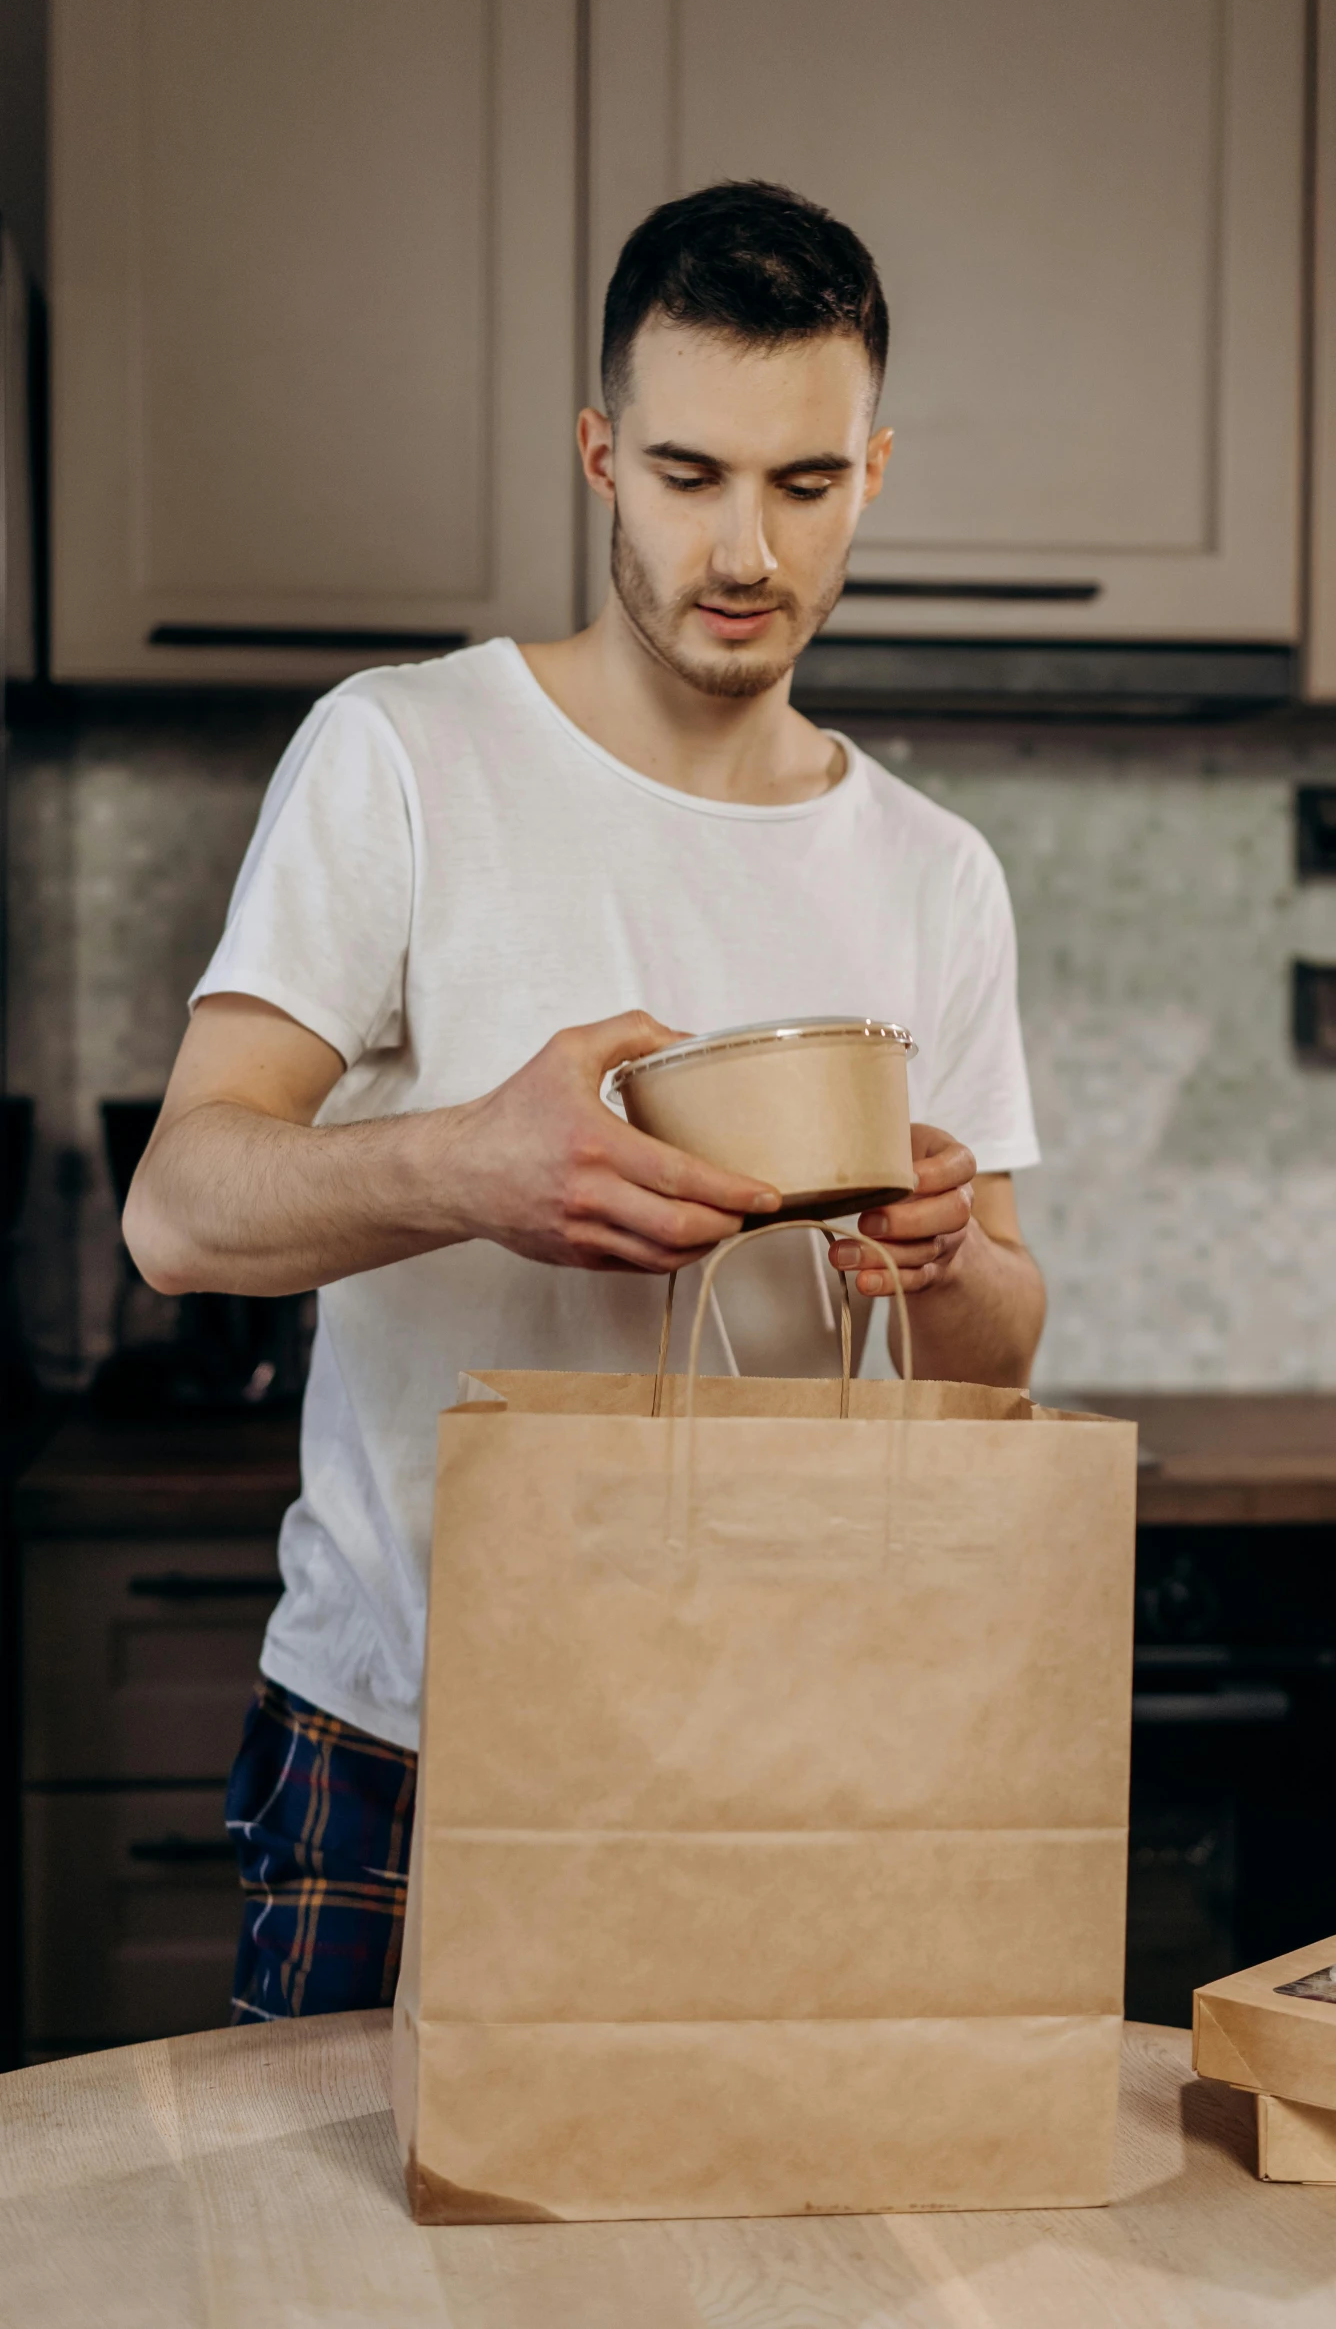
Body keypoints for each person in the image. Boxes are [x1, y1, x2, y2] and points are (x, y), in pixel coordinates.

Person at [124, 179, 1045, 2021]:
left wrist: (938, 1259)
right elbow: (177, 1210)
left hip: (773, 1743)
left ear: (873, 472)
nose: (744, 549)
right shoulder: (402, 755)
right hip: (406, 1745)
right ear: (598, 455)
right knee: (343, 2305)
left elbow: (994, 1358)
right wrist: (472, 1165)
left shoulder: (934, 872)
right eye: (690, 473)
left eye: (801, 484)